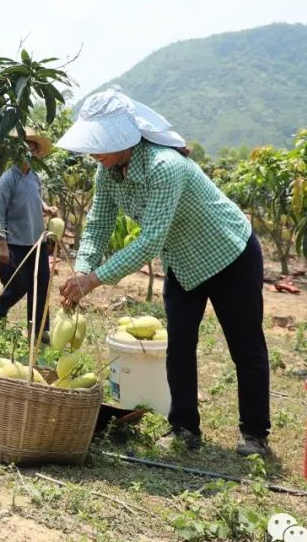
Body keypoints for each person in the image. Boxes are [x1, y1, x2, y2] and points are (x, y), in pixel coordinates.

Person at [56, 86, 270, 457]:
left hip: (229, 254)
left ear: (124, 139)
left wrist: (94, 280)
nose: (94, 152)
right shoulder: (107, 173)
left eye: (100, 142)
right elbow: (97, 226)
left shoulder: (164, 167)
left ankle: (255, 434)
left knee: (246, 345)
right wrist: (82, 268)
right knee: (180, 344)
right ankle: (184, 427)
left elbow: (150, 241)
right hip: (185, 264)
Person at [0, 129, 58, 341]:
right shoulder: (8, 178)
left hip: (36, 241)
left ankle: (38, 330)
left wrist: (46, 208)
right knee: (19, 284)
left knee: (41, 284)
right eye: (24, 149)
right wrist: (2, 245)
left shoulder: (34, 177)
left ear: (36, 153)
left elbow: (36, 198)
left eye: (32, 149)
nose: (28, 153)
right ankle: (2, 306)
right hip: (15, 243)